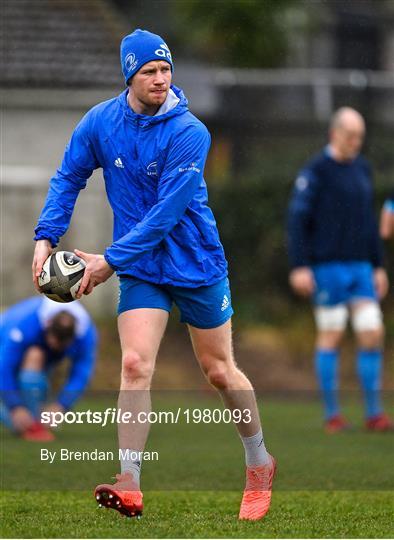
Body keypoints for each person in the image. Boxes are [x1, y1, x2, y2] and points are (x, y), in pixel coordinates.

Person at [31, 29, 276, 521]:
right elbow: (68, 178)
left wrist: (107, 262)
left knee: (219, 371)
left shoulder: (191, 132)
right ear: (130, 75)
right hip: (142, 268)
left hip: (195, 261)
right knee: (135, 365)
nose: (161, 79)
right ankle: (130, 481)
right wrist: (45, 237)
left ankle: (258, 461)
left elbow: (165, 214)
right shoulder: (100, 123)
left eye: (166, 69)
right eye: (150, 72)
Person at [287, 107, 393, 434]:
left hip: (361, 267)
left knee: (372, 333)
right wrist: (300, 265)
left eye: (360, 136)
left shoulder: (362, 168)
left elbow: (367, 220)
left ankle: (374, 412)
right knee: (331, 335)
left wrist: (378, 265)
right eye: (351, 136)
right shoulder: (316, 171)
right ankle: (333, 414)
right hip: (327, 267)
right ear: (335, 134)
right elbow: (296, 220)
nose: (356, 142)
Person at [0, 296, 97, 441]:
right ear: (47, 326)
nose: (54, 347)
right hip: (4, 340)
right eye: (53, 341)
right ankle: (29, 424)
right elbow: (4, 367)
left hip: (36, 357)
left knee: (36, 360)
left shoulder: (86, 334)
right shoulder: (27, 323)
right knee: (35, 355)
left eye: (60, 345)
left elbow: (81, 373)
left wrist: (61, 405)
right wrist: (15, 406)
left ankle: (32, 424)